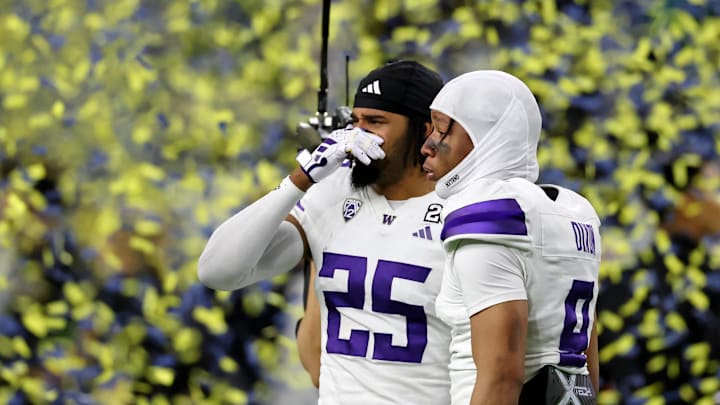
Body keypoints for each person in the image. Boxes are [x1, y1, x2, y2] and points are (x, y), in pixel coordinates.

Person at [198, 60, 451, 404]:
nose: (357, 136)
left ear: (425, 130)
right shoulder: (333, 192)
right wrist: (300, 180)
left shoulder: (462, 206)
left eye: (375, 122)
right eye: (354, 122)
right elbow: (217, 270)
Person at [420, 70, 601, 404]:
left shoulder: (491, 213)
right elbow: (585, 366)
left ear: (484, 135)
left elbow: (502, 374)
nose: (427, 145)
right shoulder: (573, 212)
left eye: (441, 128)